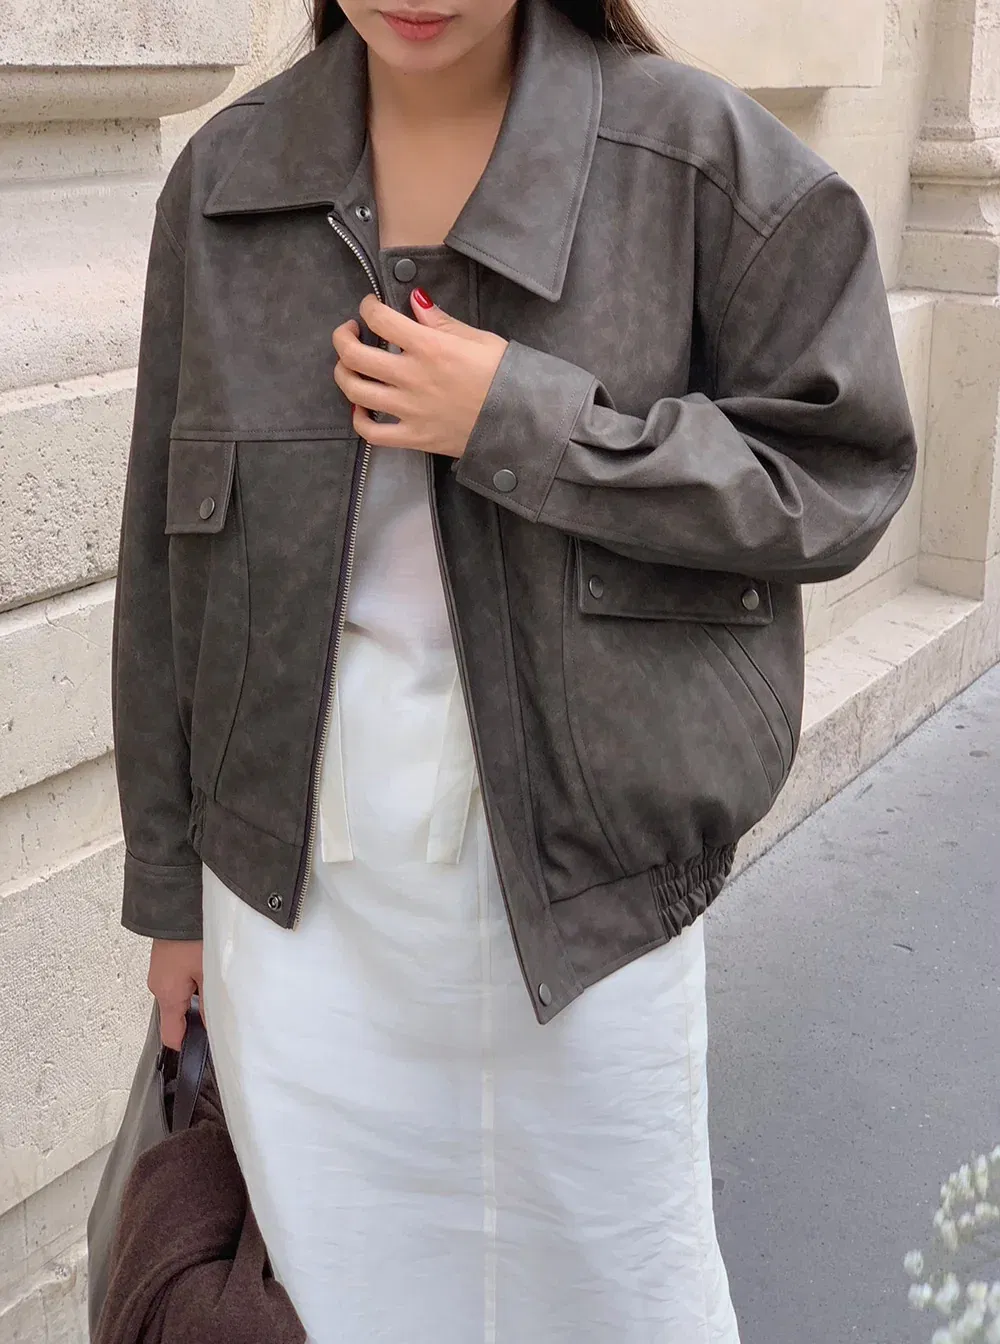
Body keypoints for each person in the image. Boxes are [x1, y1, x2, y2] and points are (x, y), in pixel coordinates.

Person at [110, 0, 917, 1336]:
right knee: (335, 1286)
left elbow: (841, 475)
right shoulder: (224, 179)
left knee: (608, 1282)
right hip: (294, 887)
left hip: (587, 883)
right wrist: (169, 897)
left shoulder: (696, 156)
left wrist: (526, 421)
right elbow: (163, 562)